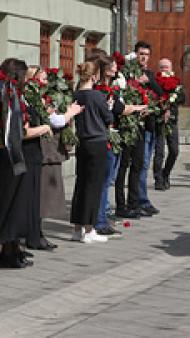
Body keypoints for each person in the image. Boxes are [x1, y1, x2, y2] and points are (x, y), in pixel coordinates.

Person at [0, 59, 52, 267]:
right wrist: (44, 128)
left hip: (23, 158)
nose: (26, 81)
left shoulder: (16, 95)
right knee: (12, 206)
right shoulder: (8, 95)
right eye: (23, 76)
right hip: (15, 158)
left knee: (18, 207)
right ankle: (7, 251)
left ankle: (14, 249)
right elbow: (20, 131)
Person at [28, 66, 82, 250]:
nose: (45, 82)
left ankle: (36, 232)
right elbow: (53, 120)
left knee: (44, 196)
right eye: (41, 79)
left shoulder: (46, 96)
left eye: (45, 79)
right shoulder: (35, 97)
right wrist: (70, 113)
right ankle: (33, 234)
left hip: (49, 151)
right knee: (41, 195)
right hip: (44, 152)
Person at [96, 55, 145, 237]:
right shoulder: (101, 90)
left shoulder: (111, 88)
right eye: (113, 66)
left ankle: (102, 217)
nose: (116, 68)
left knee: (108, 179)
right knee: (104, 181)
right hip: (106, 137)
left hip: (113, 136)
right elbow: (119, 109)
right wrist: (138, 108)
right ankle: (99, 220)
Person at [114, 41, 163, 218]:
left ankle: (134, 203)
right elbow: (120, 92)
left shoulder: (149, 74)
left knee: (138, 164)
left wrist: (148, 81)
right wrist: (135, 82)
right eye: (141, 54)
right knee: (124, 165)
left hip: (143, 125)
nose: (143, 57)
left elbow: (160, 92)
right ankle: (121, 205)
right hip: (127, 124)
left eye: (146, 54)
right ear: (135, 55)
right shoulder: (126, 73)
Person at [70, 62, 114, 244]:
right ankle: (90, 229)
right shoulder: (97, 96)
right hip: (97, 142)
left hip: (82, 142)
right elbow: (108, 118)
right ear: (95, 76)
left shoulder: (76, 95)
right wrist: (109, 106)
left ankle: (77, 228)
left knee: (81, 184)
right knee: (94, 186)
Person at [153, 58, 185, 190]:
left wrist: (173, 100)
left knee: (174, 150)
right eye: (162, 67)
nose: (165, 69)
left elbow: (182, 98)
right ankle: (158, 179)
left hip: (171, 119)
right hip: (159, 120)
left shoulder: (176, 82)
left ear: (171, 69)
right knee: (159, 151)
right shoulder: (155, 82)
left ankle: (165, 173)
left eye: (167, 67)